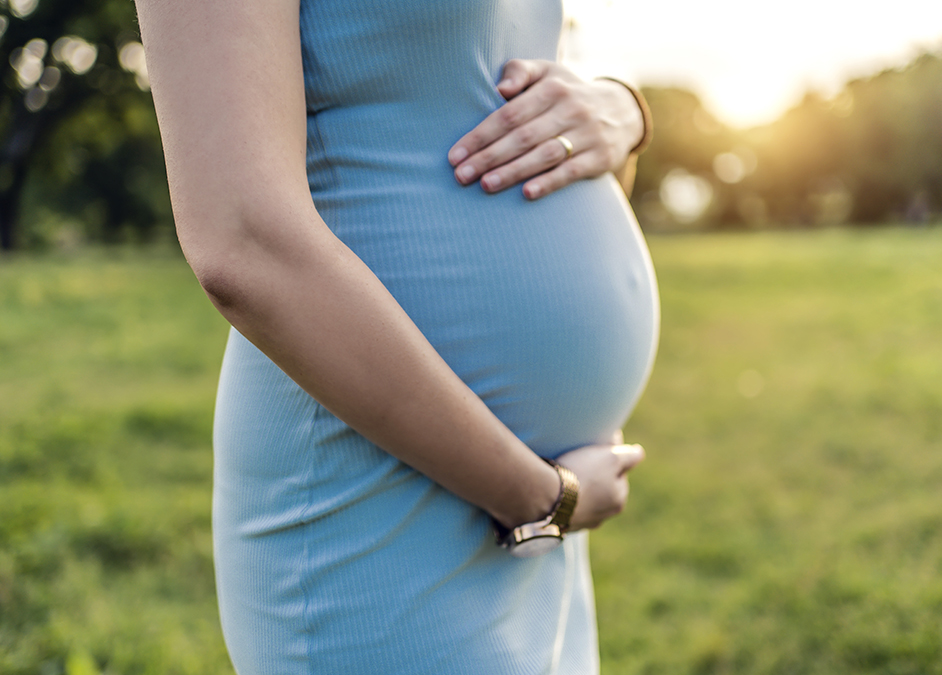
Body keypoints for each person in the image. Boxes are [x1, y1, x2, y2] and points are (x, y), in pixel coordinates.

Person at [134, 0, 659, 672]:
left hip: (527, 502)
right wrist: (538, 499)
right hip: (374, 487)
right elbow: (242, 240)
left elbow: (502, 85)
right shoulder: (530, 499)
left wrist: (620, 110)